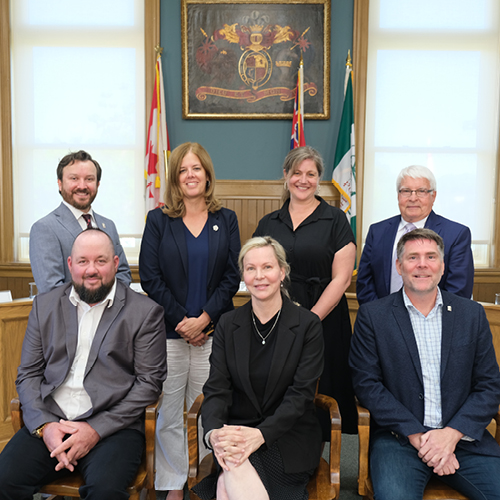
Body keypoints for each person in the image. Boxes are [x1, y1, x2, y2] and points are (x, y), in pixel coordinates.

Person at [0, 228, 167, 499]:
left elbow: (149, 384)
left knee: (105, 491)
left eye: (101, 261)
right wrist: (45, 426)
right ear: (70, 264)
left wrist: (95, 429)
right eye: (82, 261)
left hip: (113, 427)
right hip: (52, 420)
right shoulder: (45, 306)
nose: (91, 270)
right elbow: (28, 374)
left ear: (115, 263)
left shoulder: (145, 312)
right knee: (4, 479)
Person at [350, 228, 500, 500]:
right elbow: (367, 385)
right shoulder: (373, 316)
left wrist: (451, 435)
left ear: (442, 266)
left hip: (463, 439)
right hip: (399, 439)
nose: (422, 264)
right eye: (413, 257)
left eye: (431, 257)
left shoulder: (472, 314)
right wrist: (417, 435)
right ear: (399, 266)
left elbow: (489, 385)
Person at [139, 142, 240, 500]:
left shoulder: (226, 219)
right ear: (175, 179)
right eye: (183, 170)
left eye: (196, 168)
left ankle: (204, 479)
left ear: (207, 174)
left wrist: (204, 319)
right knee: (169, 411)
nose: (190, 175)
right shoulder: (158, 221)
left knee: (207, 410)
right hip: (170, 333)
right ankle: (173, 484)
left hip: (213, 333)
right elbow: (150, 277)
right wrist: (183, 320)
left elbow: (232, 276)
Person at [192, 236, 324, 500]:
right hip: (236, 433)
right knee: (233, 469)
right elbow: (217, 388)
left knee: (227, 484)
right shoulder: (228, 324)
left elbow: (301, 395)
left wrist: (262, 434)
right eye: (251, 268)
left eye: (267, 267)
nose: (259, 276)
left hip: (289, 436)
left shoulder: (307, 325)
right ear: (243, 275)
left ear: (282, 272)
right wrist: (214, 434)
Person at [253, 146, 357, 434]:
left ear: (319, 179)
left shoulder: (336, 219)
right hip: (275, 319)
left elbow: (342, 279)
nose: (303, 180)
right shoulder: (269, 222)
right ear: (286, 175)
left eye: (311, 174)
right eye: (297, 173)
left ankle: (320, 454)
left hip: (324, 319)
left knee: (322, 393)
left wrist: (309, 321)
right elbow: (255, 270)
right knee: (276, 389)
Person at [356, 165, 474, 305]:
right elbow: (365, 282)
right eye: (406, 191)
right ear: (398, 195)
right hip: (381, 316)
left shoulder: (456, 234)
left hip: (435, 317)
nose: (413, 198)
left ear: (433, 196)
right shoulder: (377, 231)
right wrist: (379, 315)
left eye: (421, 191)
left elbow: (458, 291)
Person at [29, 150, 131, 294]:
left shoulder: (109, 226)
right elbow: (51, 290)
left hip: (113, 308)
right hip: (68, 309)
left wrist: (109, 304)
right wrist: (94, 304)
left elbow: (123, 275)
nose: (82, 186)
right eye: (74, 178)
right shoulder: (44, 228)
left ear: (98, 184)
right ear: (60, 184)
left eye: (89, 179)